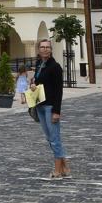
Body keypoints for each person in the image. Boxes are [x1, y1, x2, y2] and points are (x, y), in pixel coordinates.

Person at [30, 39, 69, 179]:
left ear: (51, 50)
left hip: (50, 106)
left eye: (47, 47)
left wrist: (56, 111)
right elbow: (38, 82)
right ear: (39, 49)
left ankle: (58, 171)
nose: (45, 49)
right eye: (42, 47)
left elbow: (59, 91)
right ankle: (65, 167)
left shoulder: (55, 67)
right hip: (40, 105)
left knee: (54, 138)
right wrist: (33, 85)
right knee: (49, 138)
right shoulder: (40, 64)